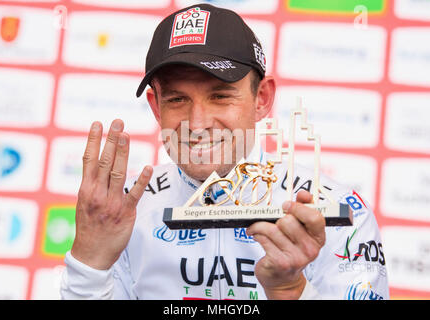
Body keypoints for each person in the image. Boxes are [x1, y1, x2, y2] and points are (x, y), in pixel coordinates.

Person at [60, 3, 389, 300]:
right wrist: (89, 263)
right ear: (156, 107)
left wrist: (290, 291)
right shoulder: (121, 211)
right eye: (177, 99)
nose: (198, 123)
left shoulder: (339, 211)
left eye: (220, 96)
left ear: (261, 99)